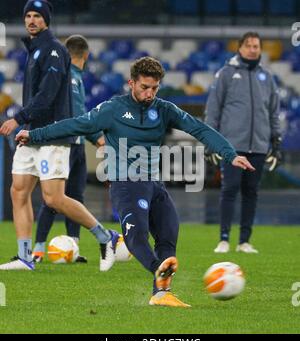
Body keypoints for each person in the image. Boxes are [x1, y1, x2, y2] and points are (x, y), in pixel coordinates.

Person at [15, 56, 255, 308]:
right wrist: (34, 135)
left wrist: (230, 154)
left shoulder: (164, 110)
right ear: (132, 83)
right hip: (126, 184)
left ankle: (161, 294)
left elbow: (199, 129)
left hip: (154, 184)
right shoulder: (112, 109)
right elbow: (75, 125)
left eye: (154, 88)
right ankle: (157, 271)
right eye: (144, 87)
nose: (150, 93)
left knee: (169, 232)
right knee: (136, 236)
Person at [0, 0, 119, 272]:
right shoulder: (35, 50)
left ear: (46, 21)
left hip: (52, 133)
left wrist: (18, 119)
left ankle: (105, 236)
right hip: (32, 135)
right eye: (28, 15)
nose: (31, 20)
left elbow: (48, 94)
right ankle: (25, 257)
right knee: (18, 191)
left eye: (37, 16)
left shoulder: (53, 50)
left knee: (53, 198)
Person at [205, 32, 282, 254]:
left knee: (251, 192)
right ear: (239, 48)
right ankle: (224, 239)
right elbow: (213, 109)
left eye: (256, 46)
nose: (253, 49)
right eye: (248, 45)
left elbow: (273, 112)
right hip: (232, 146)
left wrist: (275, 141)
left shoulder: (267, 77)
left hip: (258, 145)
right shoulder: (226, 74)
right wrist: (211, 141)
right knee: (229, 190)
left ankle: (244, 241)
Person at [32, 34, 104, 263]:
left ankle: (72, 246)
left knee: (74, 196)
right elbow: (77, 114)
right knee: (55, 198)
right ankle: (39, 249)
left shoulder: (74, 76)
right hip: (66, 143)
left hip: (76, 143)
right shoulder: (69, 78)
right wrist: (96, 136)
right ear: (87, 55)